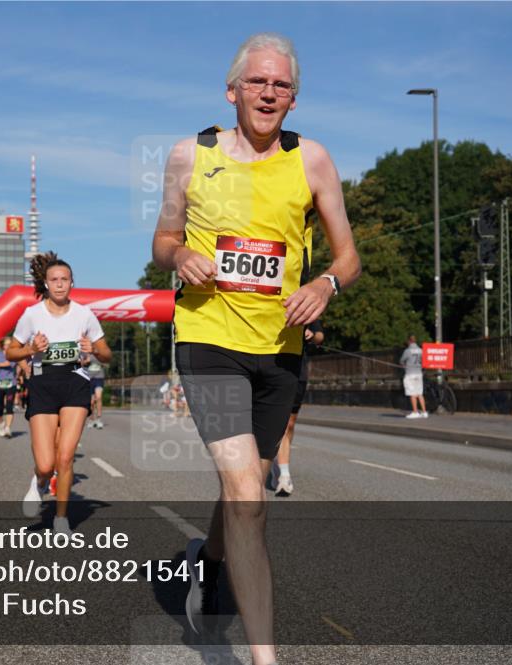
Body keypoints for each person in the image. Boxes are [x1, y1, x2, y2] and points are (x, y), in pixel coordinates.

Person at [151, 33, 360, 664]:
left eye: (281, 85)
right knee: (247, 494)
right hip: (209, 338)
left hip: (280, 348)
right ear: (232, 91)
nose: (269, 93)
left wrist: (324, 285)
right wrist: (180, 256)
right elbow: (162, 240)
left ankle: (208, 563)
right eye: (257, 82)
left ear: (294, 99)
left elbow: (348, 257)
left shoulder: (312, 160)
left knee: (249, 488)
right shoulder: (190, 154)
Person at [8, 252, 112, 536]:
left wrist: (94, 349)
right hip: (43, 384)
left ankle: (61, 518)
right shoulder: (32, 315)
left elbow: (107, 355)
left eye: (64, 279)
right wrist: (31, 349)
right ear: (46, 283)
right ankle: (40, 481)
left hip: (75, 382)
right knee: (46, 464)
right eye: (54, 279)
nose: (59, 284)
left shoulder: (84, 314)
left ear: (72, 283)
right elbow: (11, 351)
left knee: (65, 457)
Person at [270, 320, 324, 496]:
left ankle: (279, 467)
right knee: (277, 422)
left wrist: (312, 335)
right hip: (270, 365)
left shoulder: (304, 308)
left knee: (290, 423)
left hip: (297, 368)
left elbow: (319, 336)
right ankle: (281, 472)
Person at [0, 336, 19, 438]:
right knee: (0, 407)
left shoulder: (14, 354)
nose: (8, 346)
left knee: (9, 406)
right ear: (3, 345)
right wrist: (2, 364)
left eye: (10, 344)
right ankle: (1, 423)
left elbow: (19, 365)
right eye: (6, 344)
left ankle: (8, 428)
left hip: (11, 384)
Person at [400, 334, 428, 418]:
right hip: (418, 373)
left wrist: (404, 367)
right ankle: (424, 412)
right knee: (419, 393)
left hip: (410, 374)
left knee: (412, 393)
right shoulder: (421, 350)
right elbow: (424, 362)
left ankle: (415, 412)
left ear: (409, 341)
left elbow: (401, 361)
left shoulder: (407, 351)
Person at [82, 354, 106, 428]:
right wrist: (86, 361)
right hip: (89, 379)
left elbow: (105, 363)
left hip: (99, 378)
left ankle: (98, 419)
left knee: (98, 397)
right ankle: (91, 419)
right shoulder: (86, 353)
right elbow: (82, 364)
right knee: (91, 402)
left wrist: (99, 360)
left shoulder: (100, 353)